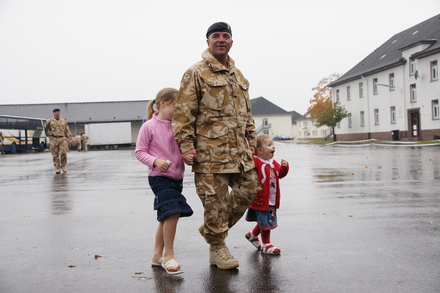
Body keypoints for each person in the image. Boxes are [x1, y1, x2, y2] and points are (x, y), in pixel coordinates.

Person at [172, 22, 261, 270]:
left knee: (250, 190)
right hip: (210, 154)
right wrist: (186, 146)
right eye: (215, 36)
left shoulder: (239, 75)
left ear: (231, 41)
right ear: (208, 42)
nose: (221, 39)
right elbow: (183, 114)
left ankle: (212, 229)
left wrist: (251, 144)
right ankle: (217, 247)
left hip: (240, 153)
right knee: (214, 203)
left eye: (226, 36)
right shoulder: (196, 73)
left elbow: (248, 116)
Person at [135, 88, 193, 275]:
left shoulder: (177, 126)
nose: (179, 111)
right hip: (159, 177)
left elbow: (181, 149)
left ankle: (156, 256)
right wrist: (155, 161)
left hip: (176, 178)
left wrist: (188, 156)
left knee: (166, 216)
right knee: (173, 211)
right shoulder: (149, 126)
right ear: (163, 103)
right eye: (176, 106)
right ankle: (169, 256)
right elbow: (140, 152)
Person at [245, 135, 289, 254]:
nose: (273, 147)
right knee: (265, 222)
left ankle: (252, 235)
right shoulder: (256, 162)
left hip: (271, 199)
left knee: (264, 221)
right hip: (262, 199)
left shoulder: (272, 162)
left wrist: (285, 167)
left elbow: (280, 174)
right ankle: (266, 245)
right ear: (260, 151)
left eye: (273, 144)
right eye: (269, 145)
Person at [45, 108, 73, 174]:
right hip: (53, 138)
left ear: (59, 113)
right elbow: (46, 127)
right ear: (53, 113)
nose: (56, 113)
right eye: (55, 112)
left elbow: (67, 130)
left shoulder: (63, 121)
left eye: (57, 112)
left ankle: (63, 165)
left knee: (63, 152)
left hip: (62, 138)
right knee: (55, 154)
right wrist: (48, 123)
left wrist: (69, 138)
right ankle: (57, 167)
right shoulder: (50, 121)